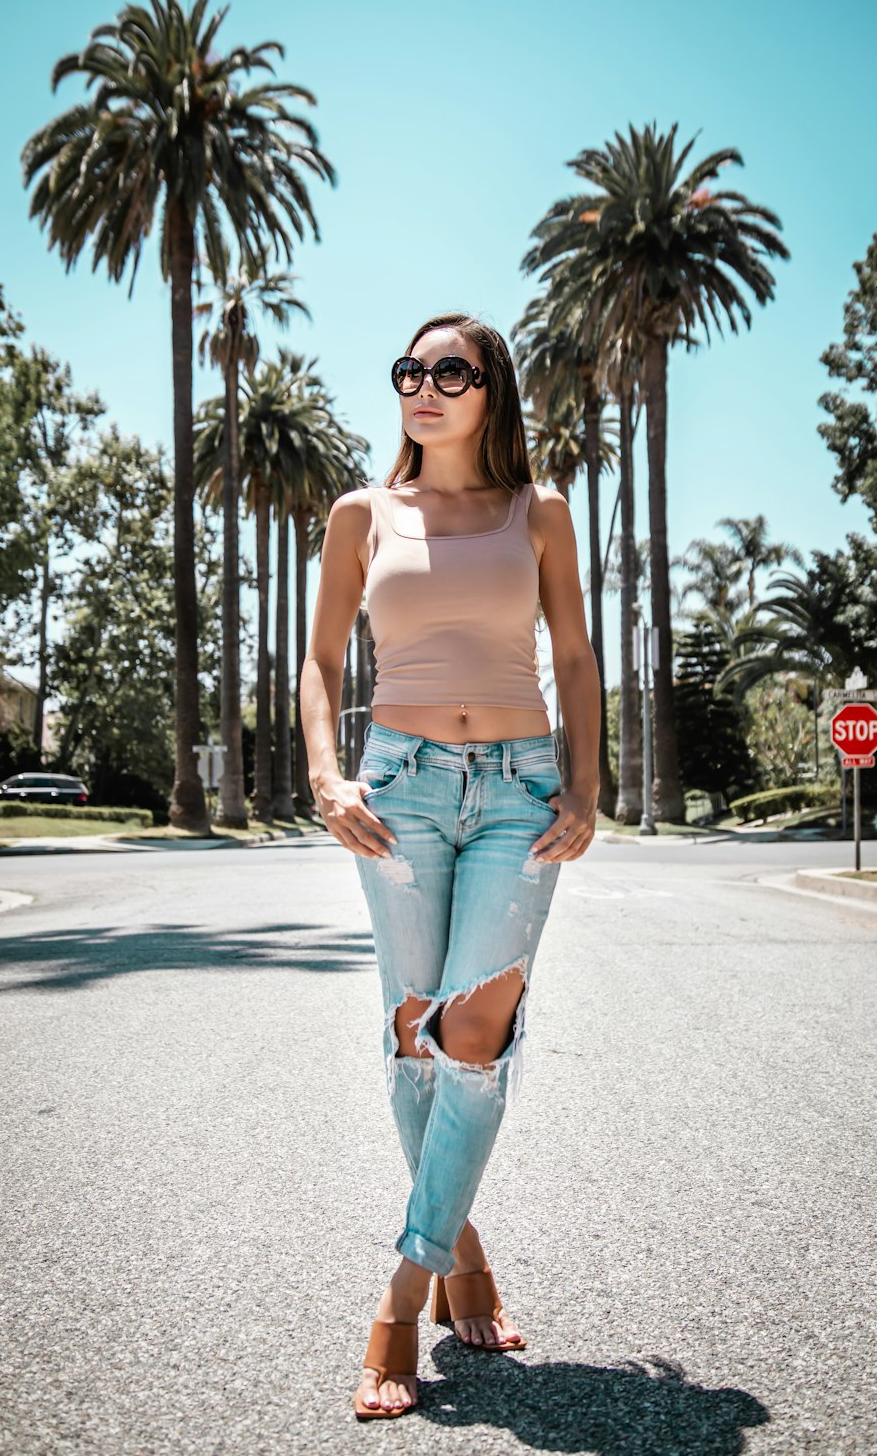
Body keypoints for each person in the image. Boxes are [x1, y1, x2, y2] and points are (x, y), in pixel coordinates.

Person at [300, 311, 601, 1420]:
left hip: (520, 787)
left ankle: (399, 1293)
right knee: (411, 1026)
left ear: (491, 391)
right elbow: (322, 661)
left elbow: (571, 652)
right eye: (408, 371)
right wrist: (329, 778)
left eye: (450, 371)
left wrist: (587, 783)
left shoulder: (540, 511)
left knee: (472, 1033)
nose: (423, 387)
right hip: (401, 786)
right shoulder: (361, 514)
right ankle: (464, 1256)